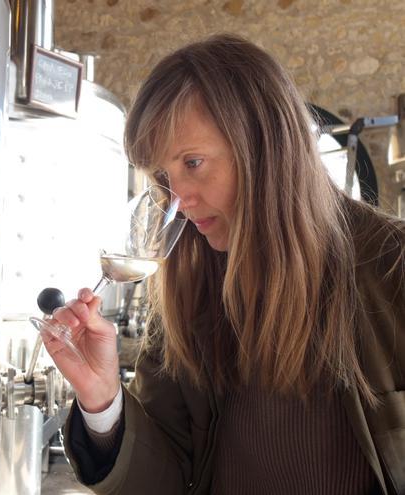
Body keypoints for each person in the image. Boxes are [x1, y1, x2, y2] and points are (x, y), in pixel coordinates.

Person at [41, 34, 405, 495]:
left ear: (266, 146)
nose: (180, 201)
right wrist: (103, 399)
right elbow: (165, 479)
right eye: (164, 177)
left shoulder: (393, 268)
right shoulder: (189, 293)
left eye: (194, 163)